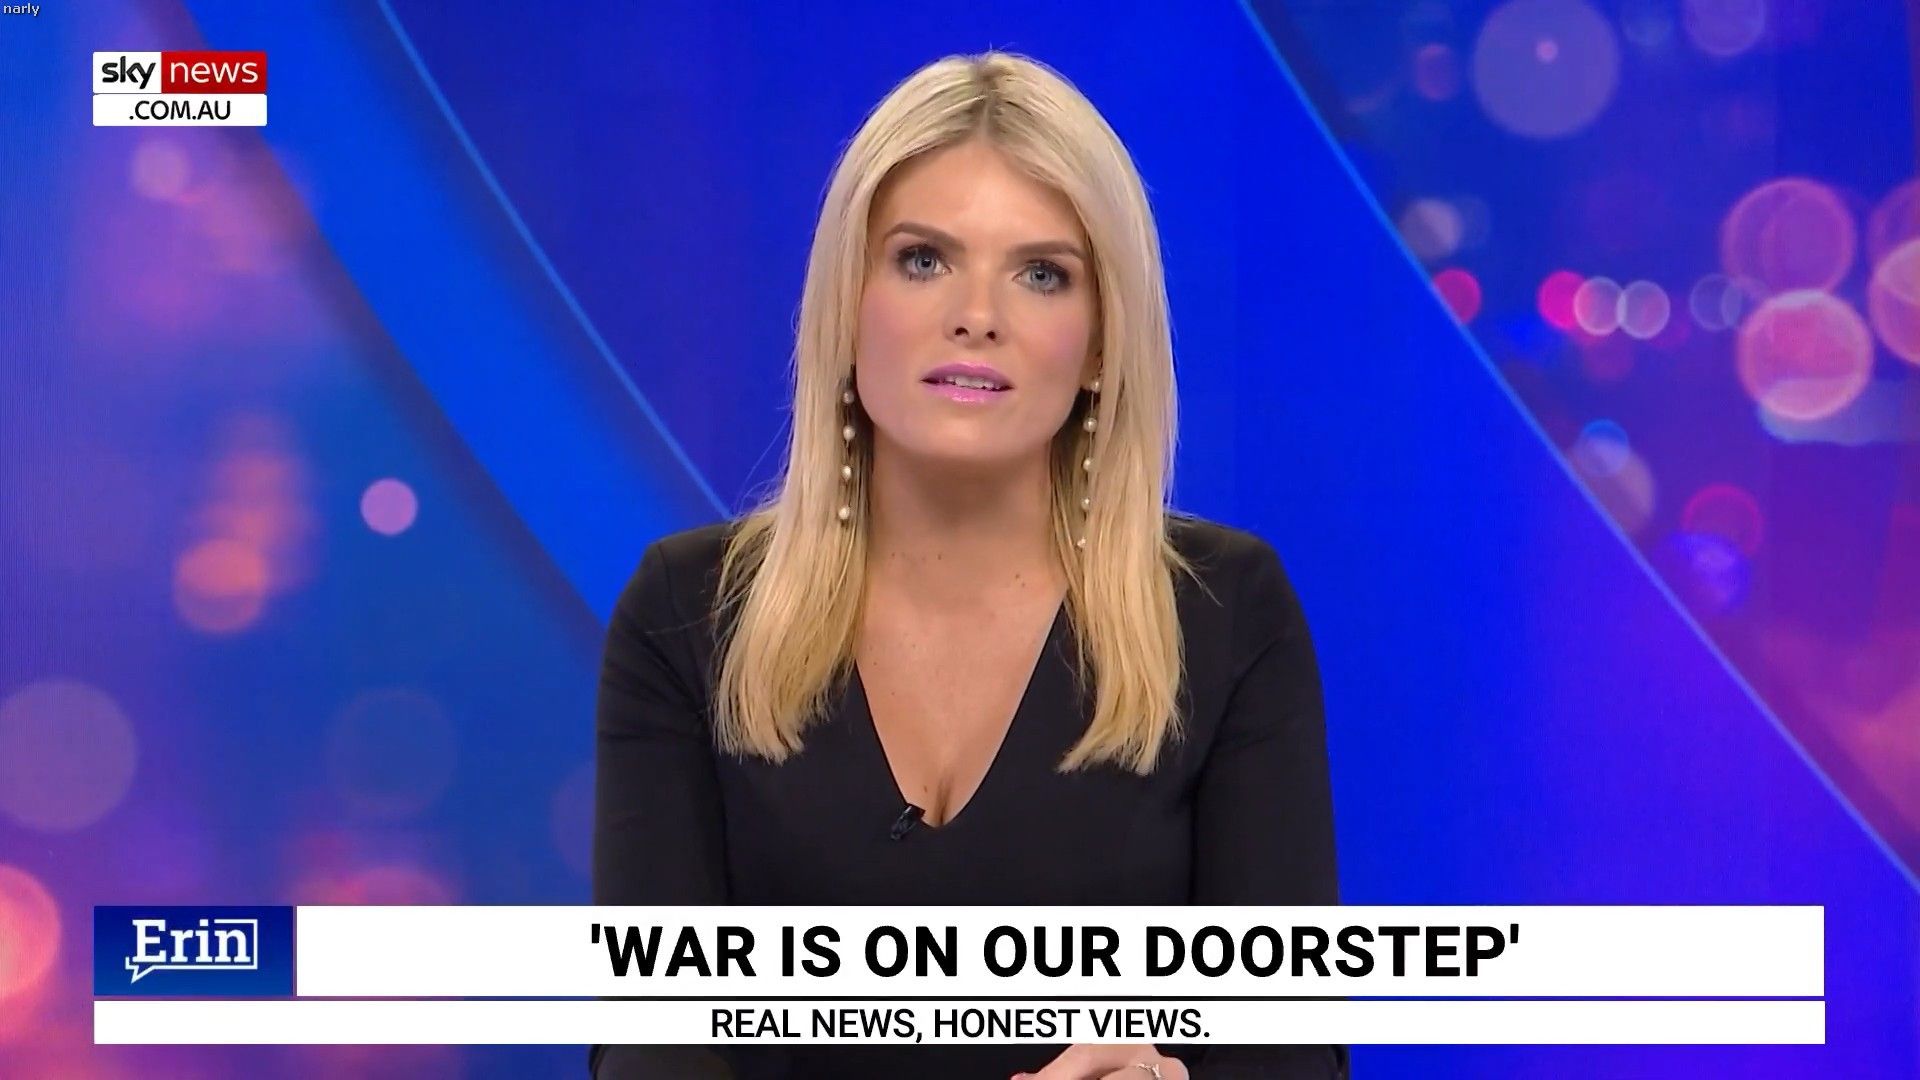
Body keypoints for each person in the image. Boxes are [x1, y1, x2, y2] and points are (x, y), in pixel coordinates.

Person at [591, 51, 1344, 1080]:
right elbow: (653, 1051)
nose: (977, 314)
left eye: (1042, 274)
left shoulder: (1224, 614)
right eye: (923, 259)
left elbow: (1287, 1057)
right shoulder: (689, 614)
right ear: (847, 305)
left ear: (1100, 344)